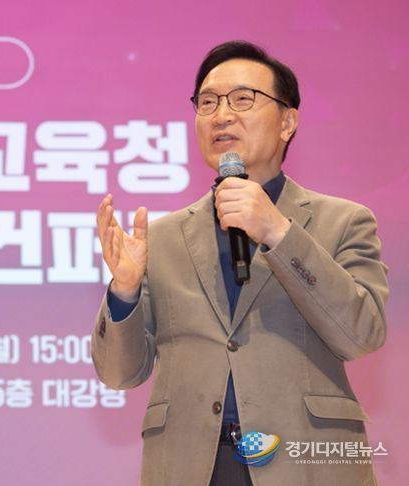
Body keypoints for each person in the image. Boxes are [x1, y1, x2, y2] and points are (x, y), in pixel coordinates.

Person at [92, 40, 388, 486]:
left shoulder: (344, 221)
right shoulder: (161, 238)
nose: (221, 115)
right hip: (190, 466)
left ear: (287, 122)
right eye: (208, 102)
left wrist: (279, 233)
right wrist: (125, 292)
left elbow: (361, 335)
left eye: (242, 99)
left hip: (304, 465)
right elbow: (119, 373)